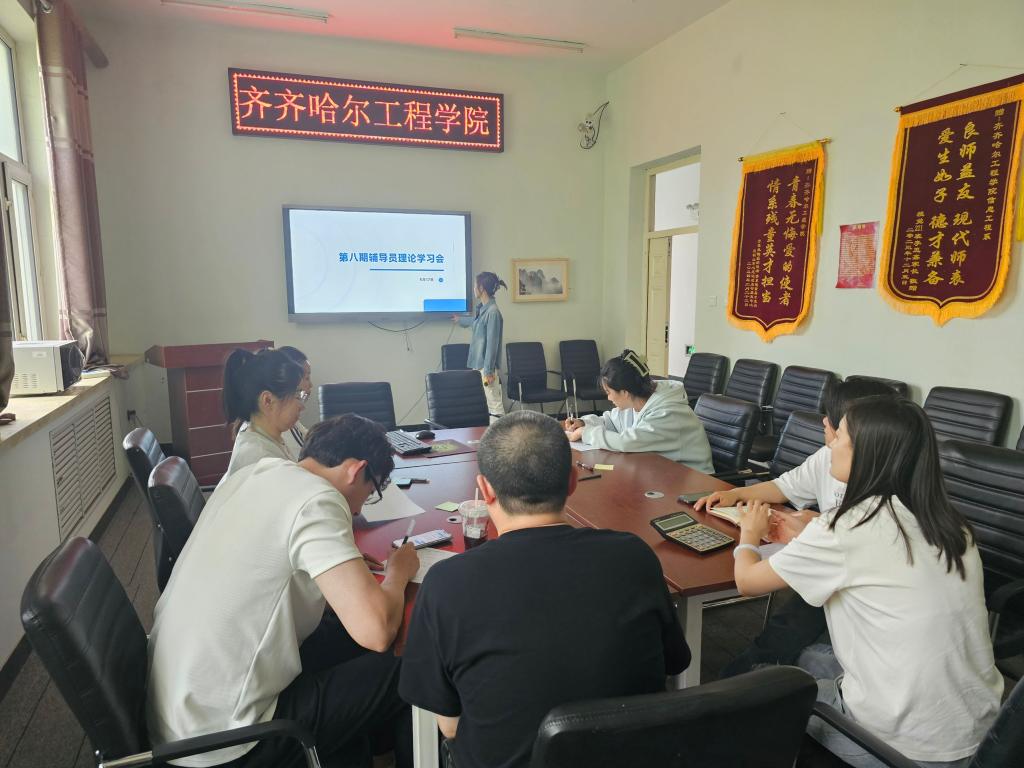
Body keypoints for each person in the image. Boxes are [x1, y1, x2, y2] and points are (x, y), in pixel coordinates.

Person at [399, 410, 690, 768]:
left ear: (485, 490)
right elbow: (673, 663)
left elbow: (450, 726)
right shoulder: (635, 556)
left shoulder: (446, 583)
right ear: (572, 482)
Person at [732, 398, 1002, 768]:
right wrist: (810, 535)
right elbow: (873, 557)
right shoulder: (950, 524)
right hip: (980, 732)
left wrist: (749, 533)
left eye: (839, 436)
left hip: (899, 748)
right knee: (812, 657)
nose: (830, 444)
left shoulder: (846, 527)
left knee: (758, 695)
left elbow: (747, 581)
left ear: (867, 453)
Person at [147, 414, 420, 768]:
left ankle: (366, 746)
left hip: (181, 711)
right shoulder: (318, 500)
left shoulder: (254, 473)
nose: (357, 510)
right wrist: (398, 573)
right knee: (414, 662)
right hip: (229, 739)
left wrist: (343, 569)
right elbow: (377, 632)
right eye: (370, 494)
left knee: (344, 636)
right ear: (357, 470)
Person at [694, 378, 900, 675]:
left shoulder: (855, 522)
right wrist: (737, 494)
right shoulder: (839, 464)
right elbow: (786, 486)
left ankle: (739, 684)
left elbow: (747, 583)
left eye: (835, 422)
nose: (824, 423)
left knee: (790, 634)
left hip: (871, 638)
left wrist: (751, 533)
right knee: (789, 628)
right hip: (846, 585)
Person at [563, 349, 714, 473]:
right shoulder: (636, 400)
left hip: (694, 480)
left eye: (609, 392)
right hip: (662, 471)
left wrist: (585, 433)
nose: (608, 398)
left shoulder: (668, 414)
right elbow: (610, 421)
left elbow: (627, 442)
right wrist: (583, 423)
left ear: (625, 392)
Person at [220, 347, 306, 481]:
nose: (302, 406)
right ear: (268, 400)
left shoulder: (266, 436)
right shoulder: (262, 459)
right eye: (297, 395)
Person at [452, 271, 506, 423]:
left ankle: (501, 435)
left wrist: (488, 371)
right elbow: (476, 323)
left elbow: (492, 344)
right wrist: (460, 320)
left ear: (481, 288)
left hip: (486, 367)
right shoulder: (484, 309)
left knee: (495, 406)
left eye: (475, 285)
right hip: (480, 365)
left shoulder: (493, 312)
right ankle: (494, 434)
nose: (474, 288)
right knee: (490, 405)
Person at [278, 345, 312, 457]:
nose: (311, 385)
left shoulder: (288, 419)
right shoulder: (283, 425)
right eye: (307, 378)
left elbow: (311, 438)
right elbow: (301, 460)